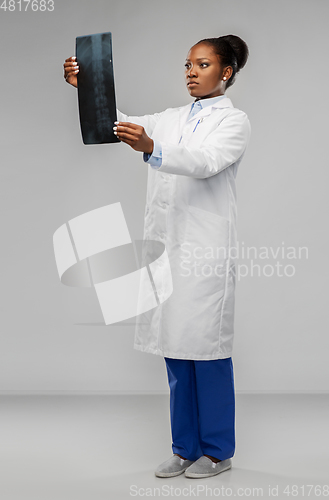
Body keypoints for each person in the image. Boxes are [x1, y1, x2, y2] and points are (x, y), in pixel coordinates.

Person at [63, 33, 251, 479]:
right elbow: (120, 123)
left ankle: (218, 451)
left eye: (202, 65)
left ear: (225, 72)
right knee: (174, 350)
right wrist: (86, 89)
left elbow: (204, 161)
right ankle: (185, 447)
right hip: (168, 251)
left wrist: (152, 149)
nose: (191, 72)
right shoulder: (170, 118)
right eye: (188, 64)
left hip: (204, 254)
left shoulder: (234, 122)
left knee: (206, 352)